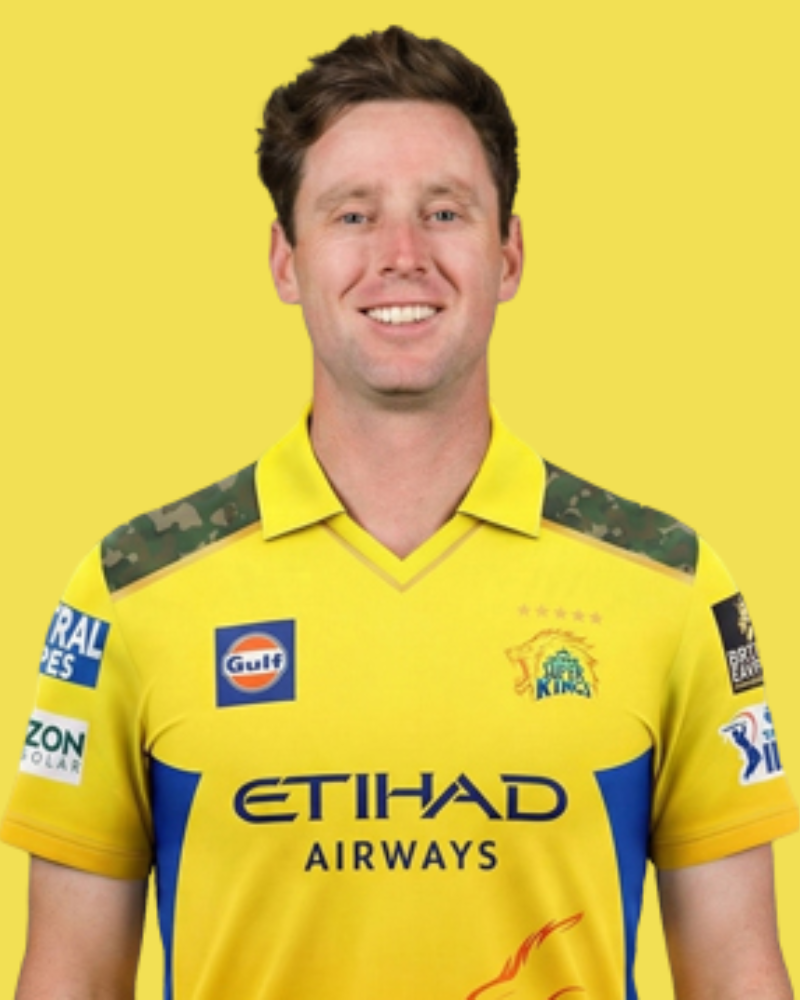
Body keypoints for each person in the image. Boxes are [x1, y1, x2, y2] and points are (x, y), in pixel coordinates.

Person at [2, 25, 797, 1000]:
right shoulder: (131, 590)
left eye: (444, 212)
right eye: (352, 215)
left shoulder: (669, 583)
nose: (402, 256)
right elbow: (68, 979)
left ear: (508, 255)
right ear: (285, 261)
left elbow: (738, 974)